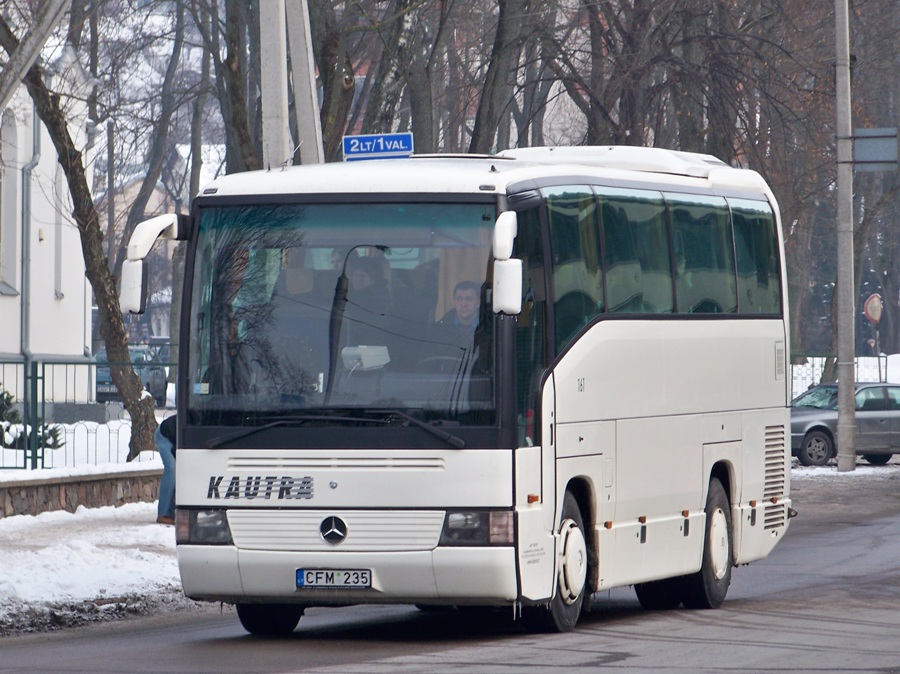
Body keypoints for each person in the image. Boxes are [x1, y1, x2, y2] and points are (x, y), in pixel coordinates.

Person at [155, 415, 176, 525]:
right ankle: (163, 514)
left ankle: (173, 511)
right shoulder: (191, 420)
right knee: (171, 468)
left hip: (174, 436)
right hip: (164, 436)